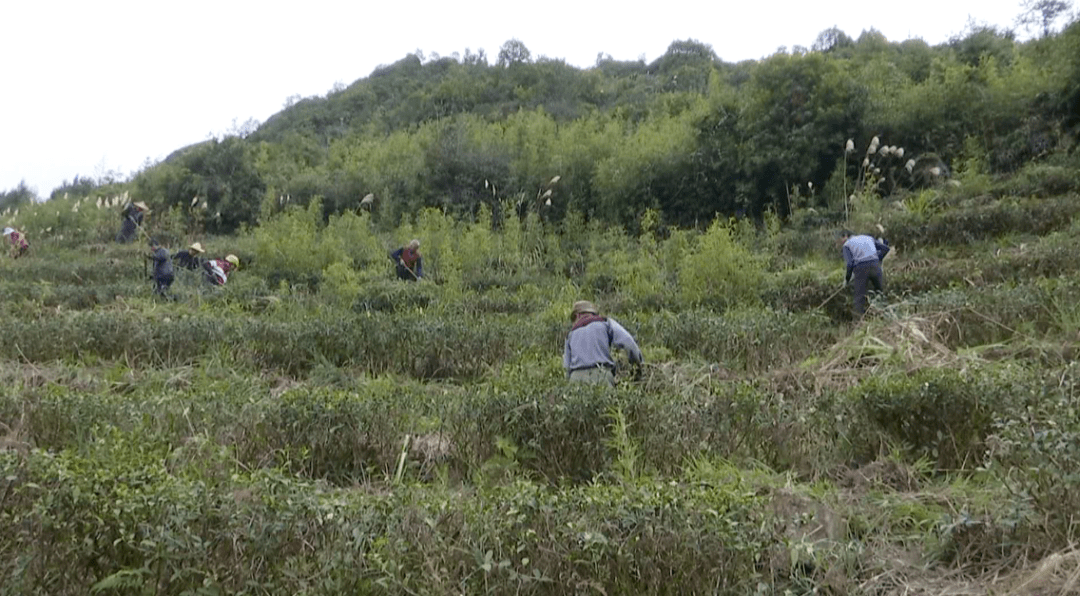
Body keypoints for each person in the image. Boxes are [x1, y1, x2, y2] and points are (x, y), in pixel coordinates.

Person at [563, 300, 643, 386]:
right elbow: (628, 342)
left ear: (577, 315)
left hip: (576, 379)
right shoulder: (605, 323)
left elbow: (566, 367)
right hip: (602, 376)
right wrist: (638, 366)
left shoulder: (571, 335)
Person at [838, 229, 890, 317]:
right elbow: (885, 249)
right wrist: (878, 259)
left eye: (841, 238)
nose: (841, 241)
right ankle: (886, 316)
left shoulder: (846, 245)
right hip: (875, 266)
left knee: (859, 297)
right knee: (880, 292)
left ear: (846, 236)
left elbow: (850, 264)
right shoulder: (868, 238)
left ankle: (859, 322)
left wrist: (847, 280)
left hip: (861, 269)